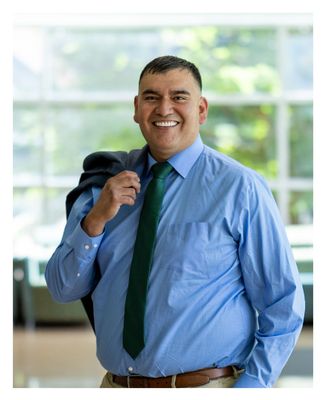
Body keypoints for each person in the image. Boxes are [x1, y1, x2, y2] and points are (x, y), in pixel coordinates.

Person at [45, 55, 305, 388]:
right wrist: (95, 221)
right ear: (137, 108)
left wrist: (252, 388)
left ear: (201, 109)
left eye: (179, 97)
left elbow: (282, 302)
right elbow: (61, 288)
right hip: (115, 386)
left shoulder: (241, 188)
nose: (164, 108)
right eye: (152, 97)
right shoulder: (102, 186)